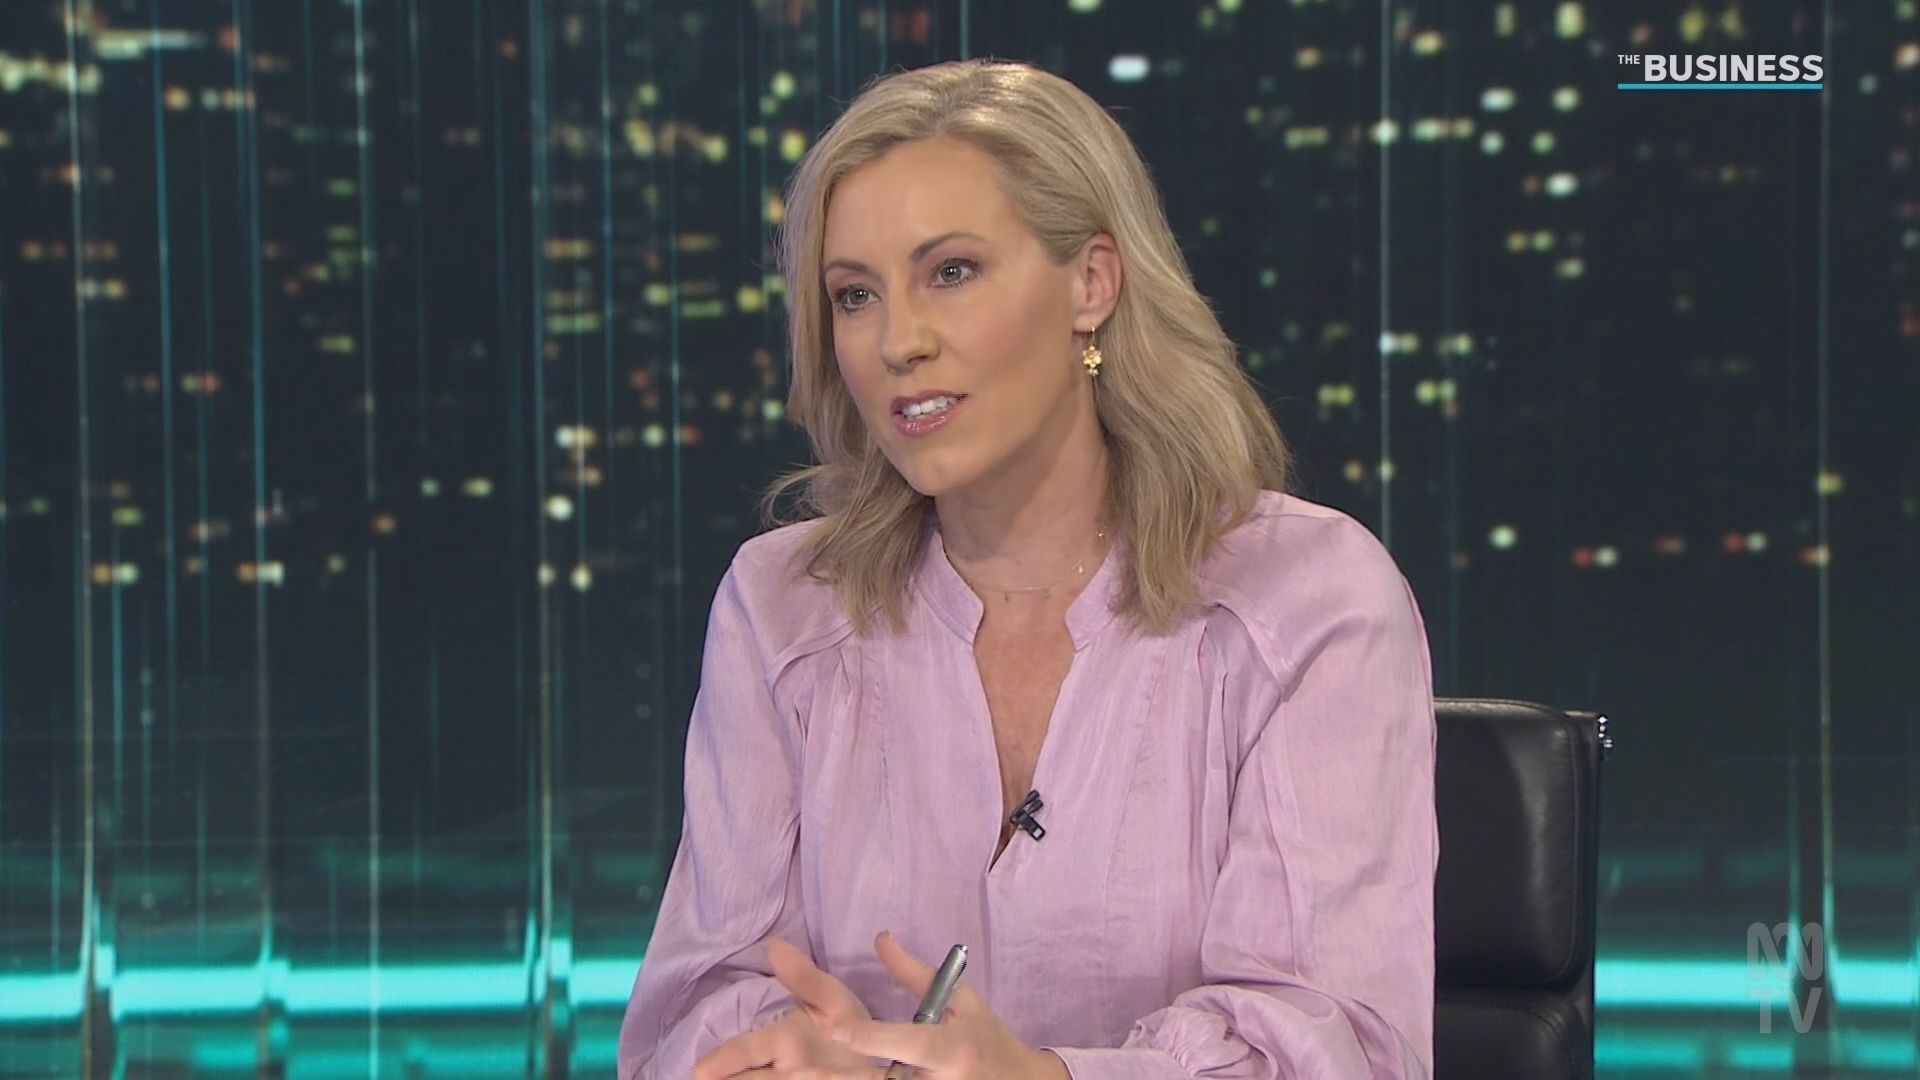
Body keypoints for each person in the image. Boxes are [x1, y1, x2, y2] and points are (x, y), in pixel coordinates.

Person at [618, 58, 1437, 1080]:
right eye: (855, 295)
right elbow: (691, 1009)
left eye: (951, 272)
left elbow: (1340, 1047)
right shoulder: (781, 607)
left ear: (1091, 283)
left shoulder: (1309, 602)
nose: (898, 342)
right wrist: (781, 1057)